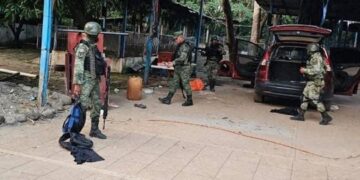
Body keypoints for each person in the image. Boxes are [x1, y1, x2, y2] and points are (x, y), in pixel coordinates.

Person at [73, 22, 107, 139]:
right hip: (85, 80)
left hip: (94, 79)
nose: (96, 37)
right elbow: (78, 67)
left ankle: (94, 129)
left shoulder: (93, 47)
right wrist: (77, 84)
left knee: (97, 103)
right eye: (94, 35)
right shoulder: (83, 47)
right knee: (82, 105)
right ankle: (75, 130)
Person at [290, 43, 333, 125]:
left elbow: (317, 71)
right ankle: (301, 115)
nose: (307, 51)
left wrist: (305, 70)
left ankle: (326, 117)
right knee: (305, 97)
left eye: (308, 50)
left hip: (316, 82)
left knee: (315, 100)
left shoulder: (317, 58)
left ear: (311, 50)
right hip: (311, 81)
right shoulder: (314, 57)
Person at [159, 31, 193, 106]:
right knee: (174, 83)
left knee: (185, 84)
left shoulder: (185, 46)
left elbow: (182, 58)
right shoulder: (179, 45)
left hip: (184, 68)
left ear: (181, 37)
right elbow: (176, 56)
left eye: (176, 38)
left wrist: (173, 63)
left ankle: (190, 100)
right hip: (178, 67)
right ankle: (168, 99)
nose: (175, 40)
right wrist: (170, 62)